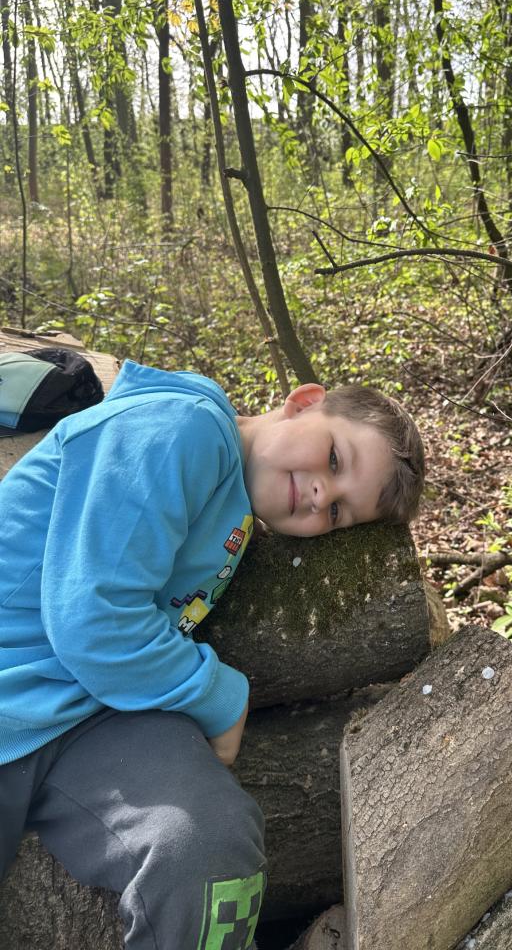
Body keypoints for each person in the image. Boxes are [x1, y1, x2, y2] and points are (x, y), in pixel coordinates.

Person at [0, 358, 425, 950]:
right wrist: (219, 696)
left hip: (92, 715)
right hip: (14, 695)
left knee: (210, 845)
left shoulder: (235, 503)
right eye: (334, 459)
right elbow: (93, 620)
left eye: (336, 513)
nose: (321, 494)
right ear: (304, 401)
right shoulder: (182, 426)